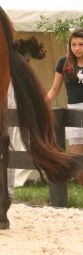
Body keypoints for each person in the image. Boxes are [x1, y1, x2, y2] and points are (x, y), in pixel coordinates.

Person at [46, 28, 83, 186]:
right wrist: (42, 105)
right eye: (73, 44)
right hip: (73, 112)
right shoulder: (64, 62)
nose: (77, 48)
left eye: (81, 44)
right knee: (77, 162)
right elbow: (54, 90)